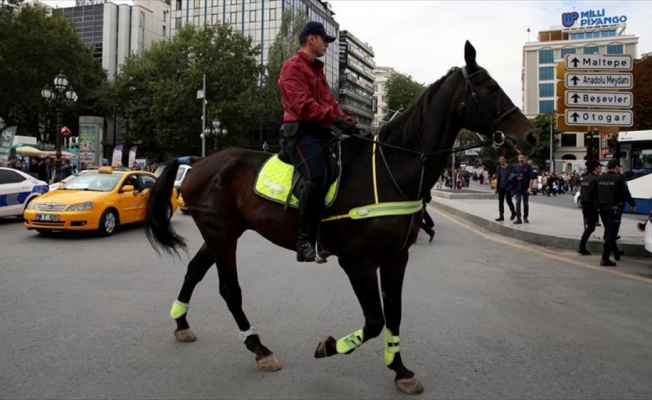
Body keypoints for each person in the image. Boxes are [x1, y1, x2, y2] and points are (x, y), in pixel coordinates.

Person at [278, 21, 356, 262]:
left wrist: (347, 121)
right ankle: (303, 242)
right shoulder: (292, 68)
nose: (328, 46)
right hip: (302, 133)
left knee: (337, 172)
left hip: (322, 133)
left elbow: (329, 103)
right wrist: (335, 119)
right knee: (317, 175)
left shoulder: (318, 71)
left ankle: (325, 237)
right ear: (311, 39)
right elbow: (304, 105)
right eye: (325, 41)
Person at [595, 159, 636, 267]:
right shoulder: (619, 179)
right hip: (614, 209)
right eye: (619, 167)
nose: (620, 169)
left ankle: (616, 253)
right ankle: (605, 258)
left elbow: (595, 193)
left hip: (602, 209)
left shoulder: (600, 178)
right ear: (617, 167)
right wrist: (632, 204)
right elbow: (626, 193)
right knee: (611, 234)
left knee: (609, 232)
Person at [577, 159, 602, 256]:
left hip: (585, 205)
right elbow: (593, 193)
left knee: (590, 227)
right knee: (591, 227)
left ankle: (582, 246)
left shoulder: (586, 178)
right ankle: (582, 247)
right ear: (596, 168)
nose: (601, 168)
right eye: (599, 166)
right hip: (592, 206)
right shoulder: (596, 179)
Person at [511, 153, 534, 224]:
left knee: (526, 203)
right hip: (518, 188)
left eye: (523, 157)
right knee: (517, 203)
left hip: (526, 188)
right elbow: (512, 176)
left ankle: (525, 217)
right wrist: (516, 178)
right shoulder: (515, 167)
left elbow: (532, 178)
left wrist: (530, 187)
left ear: (525, 158)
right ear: (518, 159)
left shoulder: (529, 167)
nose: (521, 159)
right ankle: (518, 219)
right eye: (520, 158)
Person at [494, 155, 516, 221]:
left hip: (508, 187)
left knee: (509, 201)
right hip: (501, 187)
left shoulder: (511, 167)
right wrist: (496, 188)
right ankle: (501, 216)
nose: (501, 161)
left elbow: (513, 177)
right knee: (500, 201)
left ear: (505, 160)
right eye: (500, 159)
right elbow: (498, 178)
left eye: (502, 159)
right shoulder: (498, 168)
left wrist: (512, 186)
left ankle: (513, 213)